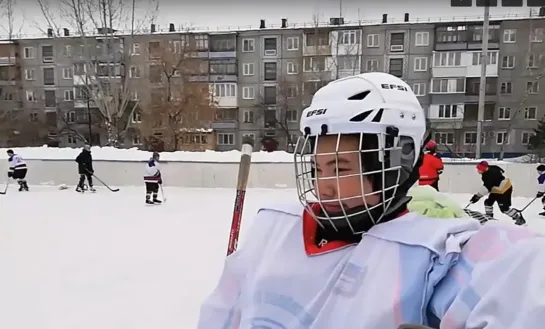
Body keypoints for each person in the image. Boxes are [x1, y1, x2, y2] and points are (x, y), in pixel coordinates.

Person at [197, 72, 545, 329]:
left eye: (340, 167)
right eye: (318, 168)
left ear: (395, 164)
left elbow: (518, 282)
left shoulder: (438, 255)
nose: (324, 187)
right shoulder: (274, 228)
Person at [469, 160, 525, 226]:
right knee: (488, 203)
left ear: (483, 169)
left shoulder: (490, 175)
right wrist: (477, 196)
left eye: (479, 169)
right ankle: (489, 218)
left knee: (504, 208)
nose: (478, 171)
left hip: (504, 189)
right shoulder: (489, 170)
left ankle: (518, 217)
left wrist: (477, 196)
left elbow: (486, 187)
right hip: (496, 188)